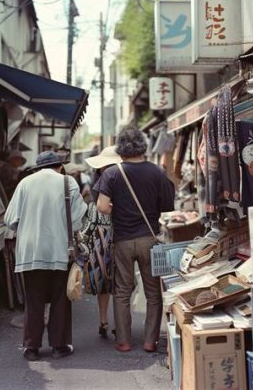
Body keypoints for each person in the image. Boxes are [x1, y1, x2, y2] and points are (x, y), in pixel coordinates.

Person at [94, 125, 175, 353]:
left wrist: (117, 210)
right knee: (152, 291)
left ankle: (124, 340)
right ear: (142, 146)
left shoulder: (112, 173)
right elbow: (168, 206)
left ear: (121, 148)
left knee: (122, 291)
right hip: (149, 238)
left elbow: (101, 206)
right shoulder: (157, 172)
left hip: (122, 240)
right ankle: (150, 341)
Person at [4, 150, 87, 361]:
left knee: (34, 300)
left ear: (38, 168)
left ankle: (31, 348)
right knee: (61, 298)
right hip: (60, 249)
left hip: (31, 251)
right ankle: (59, 347)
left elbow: (10, 219)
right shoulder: (68, 183)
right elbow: (78, 220)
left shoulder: (25, 183)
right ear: (59, 166)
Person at [82, 146, 122, 338]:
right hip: (121, 241)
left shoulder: (96, 201)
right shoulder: (125, 196)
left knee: (103, 285)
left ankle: (103, 321)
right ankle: (117, 323)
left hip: (100, 245)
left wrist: (81, 244)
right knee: (120, 285)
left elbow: (88, 229)